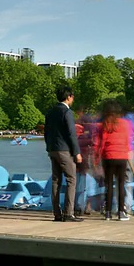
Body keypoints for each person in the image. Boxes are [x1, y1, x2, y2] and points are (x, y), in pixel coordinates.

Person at [44, 85, 83, 222]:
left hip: (52, 149)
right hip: (64, 150)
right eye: (72, 97)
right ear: (68, 97)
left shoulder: (50, 111)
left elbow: (46, 132)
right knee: (71, 179)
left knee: (56, 181)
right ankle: (68, 213)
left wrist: (49, 147)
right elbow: (71, 134)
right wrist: (77, 152)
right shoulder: (67, 112)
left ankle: (57, 213)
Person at [96, 99, 132, 221]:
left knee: (109, 185)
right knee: (121, 185)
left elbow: (100, 143)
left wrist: (97, 159)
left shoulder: (104, 124)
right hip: (122, 156)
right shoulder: (125, 124)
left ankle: (107, 213)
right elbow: (127, 141)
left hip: (108, 156)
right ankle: (121, 212)